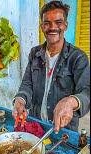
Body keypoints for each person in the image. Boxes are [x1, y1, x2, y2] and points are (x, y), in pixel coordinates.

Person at [13, 1, 90, 133]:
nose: (52, 27)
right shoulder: (34, 53)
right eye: (47, 23)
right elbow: (27, 83)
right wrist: (20, 99)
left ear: (65, 25)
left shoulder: (78, 57)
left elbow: (87, 91)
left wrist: (70, 102)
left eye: (58, 22)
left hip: (63, 129)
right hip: (35, 123)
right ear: (42, 26)